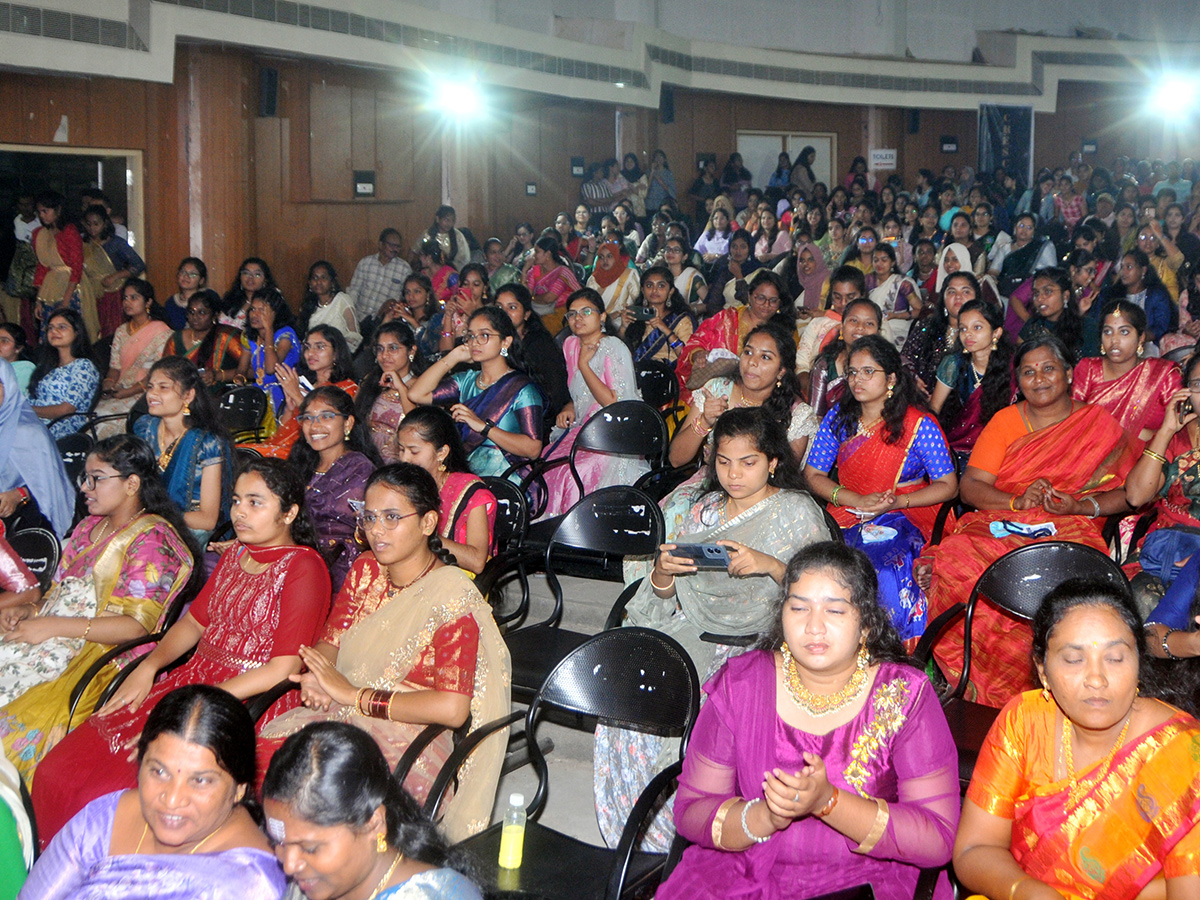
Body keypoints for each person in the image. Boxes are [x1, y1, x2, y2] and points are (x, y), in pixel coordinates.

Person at [32, 459, 332, 843]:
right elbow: (193, 624)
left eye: (256, 502)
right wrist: (150, 665)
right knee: (61, 768)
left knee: (109, 792)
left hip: (247, 701)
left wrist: (199, 705)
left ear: (289, 513)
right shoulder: (235, 555)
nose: (239, 511)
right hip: (193, 683)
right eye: (237, 500)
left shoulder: (304, 567)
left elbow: (283, 667)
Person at [655, 542, 959, 900]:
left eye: (834, 611)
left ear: (866, 625)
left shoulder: (904, 695)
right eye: (799, 608)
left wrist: (829, 802)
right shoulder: (743, 685)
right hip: (747, 871)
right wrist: (765, 816)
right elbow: (692, 810)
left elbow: (937, 837)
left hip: (868, 881)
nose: (814, 627)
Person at [600, 411, 832, 850]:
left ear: (772, 463)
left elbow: (827, 591)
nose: (734, 474)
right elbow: (663, 599)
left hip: (764, 641)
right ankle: (644, 837)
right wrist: (664, 572)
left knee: (709, 714)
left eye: (748, 462)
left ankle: (706, 831)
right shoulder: (703, 511)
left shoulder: (795, 512)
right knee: (632, 701)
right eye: (724, 462)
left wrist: (769, 565)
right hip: (696, 628)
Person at [256, 464, 510, 842]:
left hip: (413, 734)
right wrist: (318, 676)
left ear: (428, 523)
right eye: (370, 517)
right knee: (264, 763)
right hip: (341, 712)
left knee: (332, 798)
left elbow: (452, 709)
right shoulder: (365, 570)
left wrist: (352, 695)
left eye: (392, 518)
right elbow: (332, 640)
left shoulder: (451, 594)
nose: (376, 530)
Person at [918, 337, 1136, 708]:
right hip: (1002, 521)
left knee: (1056, 583)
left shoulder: (1097, 424)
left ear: (1068, 374)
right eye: (1029, 372)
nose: (1039, 379)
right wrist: (1015, 501)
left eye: (1048, 368)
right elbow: (971, 487)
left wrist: (1080, 506)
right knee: (960, 562)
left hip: (1070, 526)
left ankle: (1058, 693)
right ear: (1018, 381)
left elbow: (1128, 495)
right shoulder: (1006, 421)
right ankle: (973, 689)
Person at [954, 580, 1200, 900]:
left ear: (1139, 663)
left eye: (1115, 658)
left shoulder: (1183, 755)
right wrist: (1024, 890)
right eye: (1073, 659)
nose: (1096, 679)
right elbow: (976, 847)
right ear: (1043, 671)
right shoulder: (1025, 722)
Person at [0, 435, 196, 780]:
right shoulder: (88, 527)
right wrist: (32, 612)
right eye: (84, 478)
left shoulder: (152, 539)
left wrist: (52, 626)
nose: (86, 488)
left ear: (131, 483)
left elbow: (136, 628)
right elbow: (60, 594)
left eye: (97, 478)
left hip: (102, 653)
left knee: (18, 728)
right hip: (55, 632)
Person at [19, 685, 286, 900]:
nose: (171, 799)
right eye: (159, 772)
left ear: (240, 788)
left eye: (201, 781)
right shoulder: (105, 818)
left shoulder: (247, 884)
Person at [805, 335, 958, 642]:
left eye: (867, 371)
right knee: (819, 567)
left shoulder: (918, 423)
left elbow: (948, 486)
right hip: (847, 510)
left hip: (907, 512)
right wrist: (854, 499)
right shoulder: (839, 417)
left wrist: (895, 503)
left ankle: (892, 651)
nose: (856, 380)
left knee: (883, 569)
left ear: (890, 378)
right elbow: (813, 474)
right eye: (851, 372)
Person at [263, 722, 483, 900]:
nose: (289, 865)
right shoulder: (315, 884)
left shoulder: (433, 895)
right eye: (278, 843)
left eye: (310, 849)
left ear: (374, 824)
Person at [537, 289, 644, 517]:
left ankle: (576, 530)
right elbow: (579, 394)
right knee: (548, 462)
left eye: (586, 312)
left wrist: (585, 366)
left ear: (602, 317)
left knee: (574, 471)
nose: (578, 318)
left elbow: (614, 404)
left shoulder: (613, 347)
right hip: (583, 426)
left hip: (611, 432)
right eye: (572, 314)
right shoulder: (570, 345)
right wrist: (570, 407)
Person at [409, 306, 545, 478]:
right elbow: (416, 394)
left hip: (507, 477)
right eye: (471, 336)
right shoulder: (465, 381)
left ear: (506, 342)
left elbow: (533, 449)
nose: (475, 342)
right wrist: (453, 357)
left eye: (484, 335)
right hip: (467, 473)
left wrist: (483, 427)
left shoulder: (522, 388)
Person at [1126, 355, 1200, 637]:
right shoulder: (1175, 439)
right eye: (1199, 384)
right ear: (1187, 392)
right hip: (1165, 552)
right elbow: (1135, 496)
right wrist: (1166, 430)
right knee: (1142, 595)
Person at [287, 386, 378, 594]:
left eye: (326, 416)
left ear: (348, 423)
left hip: (339, 570)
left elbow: (348, 531)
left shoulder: (359, 469)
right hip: (296, 557)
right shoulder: (300, 465)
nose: (315, 426)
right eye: (308, 418)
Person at [133, 357, 233, 544]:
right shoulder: (145, 428)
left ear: (188, 396)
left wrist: (155, 515)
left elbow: (208, 520)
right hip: (146, 523)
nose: (152, 394)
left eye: (163, 387)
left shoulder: (206, 442)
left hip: (189, 531)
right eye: (150, 387)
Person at [394, 407, 496, 575]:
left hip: (456, 581)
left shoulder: (471, 492)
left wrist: (424, 535)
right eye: (401, 449)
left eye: (414, 451)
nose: (404, 458)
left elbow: (477, 561)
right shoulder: (402, 486)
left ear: (441, 453)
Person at [1072, 299, 1180, 448]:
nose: (1114, 340)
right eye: (1107, 332)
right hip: (1093, 456)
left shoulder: (1164, 375)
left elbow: (1177, 432)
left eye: (1124, 332)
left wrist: (1135, 435)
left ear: (1141, 338)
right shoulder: (1088, 369)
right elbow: (1074, 423)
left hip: (1149, 459)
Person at [244, 325, 358, 460]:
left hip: (314, 451)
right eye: (307, 347)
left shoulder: (348, 388)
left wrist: (297, 396)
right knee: (240, 452)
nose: (311, 353)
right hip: (288, 445)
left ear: (336, 353)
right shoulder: (305, 384)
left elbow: (324, 424)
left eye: (319, 347)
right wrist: (290, 409)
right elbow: (284, 430)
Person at [677, 271, 792, 404]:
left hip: (762, 397)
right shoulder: (726, 319)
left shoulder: (785, 331)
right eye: (760, 298)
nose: (766, 305)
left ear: (779, 303)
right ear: (750, 296)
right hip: (712, 392)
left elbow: (787, 368)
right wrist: (698, 353)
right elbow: (697, 341)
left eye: (773, 301)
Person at [930, 299, 1015, 465]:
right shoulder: (953, 364)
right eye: (963, 328)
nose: (968, 334)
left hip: (1004, 449)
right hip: (958, 449)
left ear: (996, 333)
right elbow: (934, 410)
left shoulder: (1014, 367)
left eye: (977, 327)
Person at [0, 358, 76, 539]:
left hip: (23, 519)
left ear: (9, 386)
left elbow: (51, 486)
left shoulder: (28, 432)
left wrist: (20, 494)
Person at [92, 279, 172, 439]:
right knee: (91, 414)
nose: (127, 302)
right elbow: (115, 367)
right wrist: (108, 383)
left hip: (145, 393)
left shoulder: (161, 331)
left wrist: (130, 391)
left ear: (148, 301)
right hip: (119, 390)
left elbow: (157, 372)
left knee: (102, 419)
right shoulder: (121, 331)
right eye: (125, 298)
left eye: (134, 298)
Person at [494, 283, 569, 435]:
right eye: (499, 307)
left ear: (526, 314)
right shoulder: (493, 341)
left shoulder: (538, 345)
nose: (504, 313)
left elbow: (554, 392)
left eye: (512, 307)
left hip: (537, 418)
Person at [903, 271, 989, 400]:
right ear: (943, 298)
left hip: (966, 408)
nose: (958, 297)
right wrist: (913, 379)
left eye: (965, 291)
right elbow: (904, 359)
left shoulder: (985, 331)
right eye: (952, 292)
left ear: (977, 297)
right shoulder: (927, 325)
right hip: (921, 401)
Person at [28, 308, 100, 438]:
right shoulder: (46, 366)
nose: (54, 331)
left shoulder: (83, 366)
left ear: (77, 332)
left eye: (62, 327)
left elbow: (66, 410)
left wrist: (26, 410)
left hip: (61, 428)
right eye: (50, 328)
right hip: (34, 423)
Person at [354, 321, 419, 463]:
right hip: (364, 459)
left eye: (393, 348)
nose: (385, 355)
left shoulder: (421, 387)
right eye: (380, 349)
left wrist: (401, 388)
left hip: (400, 464)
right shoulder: (371, 381)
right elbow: (355, 418)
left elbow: (417, 426)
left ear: (411, 351)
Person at [807, 298, 883, 417]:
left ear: (878, 332)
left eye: (869, 323)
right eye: (853, 320)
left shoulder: (887, 365)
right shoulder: (826, 365)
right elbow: (815, 417)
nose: (860, 327)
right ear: (841, 327)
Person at [79, 204, 146, 340]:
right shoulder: (83, 244)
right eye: (89, 224)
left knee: (111, 331)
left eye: (96, 224)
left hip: (113, 293)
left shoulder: (116, 243)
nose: (92, 228)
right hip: (90, 293)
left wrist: (115, 276)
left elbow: (139, 265)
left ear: (105, 223)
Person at [234, 292, 300, 418]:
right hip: (259, 394)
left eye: (262, 310)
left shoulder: (285, 334)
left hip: (284, 395)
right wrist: (240, 378)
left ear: (275, 313)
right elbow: (242, 368)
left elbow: (271, 369)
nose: (255, 314)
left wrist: (269, 329)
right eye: (253, 309)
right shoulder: (250, 337)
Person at [162, 290, 243, 387]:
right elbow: (165, 370)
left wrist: (218, 375)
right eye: (191, 312)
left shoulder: (226, 336)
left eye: (202, 312)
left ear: (215, 315)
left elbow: (252, 369)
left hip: (220, 396)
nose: (195, 317)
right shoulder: (177, 338)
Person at [30, 191, 83, 335]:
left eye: (45, 211)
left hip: (71, 288)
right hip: (49, 288)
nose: (42, 215)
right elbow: (42, 266)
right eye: (39, 212)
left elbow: (76, 268)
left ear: (58, 210)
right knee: (49, 333)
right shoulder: (40, 234)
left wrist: (66, 301)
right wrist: (38, 300)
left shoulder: (69, 232)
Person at [619, 266, 696, 366]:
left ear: (670, 291)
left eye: (661, 286)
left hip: (669, 375)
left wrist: (665, 329)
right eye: (649, 285)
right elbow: (619, 353)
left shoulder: (680, 320)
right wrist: (623, 327)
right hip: (637, 375)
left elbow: (685, 356)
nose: (654, 290)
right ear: (642, 290)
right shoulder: (637, 316)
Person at [346, 229, 413, 341]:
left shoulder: (404, 269)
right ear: (381, 245)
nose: (395, 249)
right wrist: (350, 319)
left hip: (384, 323)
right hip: (359, 319)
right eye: (391, 245)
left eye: (398, 246)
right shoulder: (366, 263)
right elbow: (354, 291)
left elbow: (405, 298)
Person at [1018, 267, 1094, 362]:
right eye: (1036, 293)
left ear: (1065, 295)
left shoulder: (1086, 327)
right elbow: (1020, 362)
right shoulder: (1033, 326)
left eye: (1048, 292)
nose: (1040, 299)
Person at [1107, 249, 1174, 350]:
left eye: (1129, 267)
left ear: (1143, 270)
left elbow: (1161, 326)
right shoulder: (1112, 295)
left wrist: (1143, 336)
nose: (1123, 272)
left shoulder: (1156, 294)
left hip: (1147, 344)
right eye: (1122, 267)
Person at [295, 260, 361, 353]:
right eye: (315, 278)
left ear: (332, 282)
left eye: (323, 277)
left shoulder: (342, 300)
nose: (318, 282)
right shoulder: (308, 306)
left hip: (339, 356)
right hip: (313, 355)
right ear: (310, 283)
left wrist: (333, 352)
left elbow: (354, 336)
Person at [521, 235, 580, 334]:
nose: (534, 255)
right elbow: (525, 296)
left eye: (537, 251)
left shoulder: (562, 272)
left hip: (561, 315)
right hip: (537, 313)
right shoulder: (535, 271)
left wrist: (533, 298)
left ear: (548, 254)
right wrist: (524, 272)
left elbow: (549, 298)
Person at [868, 243, 921, 348]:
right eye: (876, 260)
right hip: (871, 331)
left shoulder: (903, 283)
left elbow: (918, 309)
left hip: (897, 334)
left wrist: (895, 315)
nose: (879, 264)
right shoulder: (867, 281)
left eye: (884, 260)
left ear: (892, 262)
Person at [219, 257, 286, 334]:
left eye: (257, 274)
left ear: (265, 280)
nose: (250, 278)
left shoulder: (272, 301)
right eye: (246, 273)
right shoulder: (230, 300)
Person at [586, 237, 639, 329]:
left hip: (622, 320)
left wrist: (618, 313)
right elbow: (588, 304)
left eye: (609, 256)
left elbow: (637, 300)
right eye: (601, 257)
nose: (605, 261)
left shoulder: (630, 275)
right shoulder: (593, 279)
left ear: (616, 257)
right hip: (598, 320)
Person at [159, 257, 222, 332]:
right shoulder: (171, 303)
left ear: (201, 280)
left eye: (192, 274)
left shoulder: (210, 296)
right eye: (183, 272)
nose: (186, 277)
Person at [413, 205, 470, 271]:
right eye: (447, 220)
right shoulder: (427, 234)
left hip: (451, 273)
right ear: (437, 219)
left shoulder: (458, 235)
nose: (450, 223)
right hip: (429, 272)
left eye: (452, 220)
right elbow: (415, 252)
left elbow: (464, 259)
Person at [415, 240, 459, 306]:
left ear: (429, 258)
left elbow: (458, 298)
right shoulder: (422, 274)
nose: (419, 258)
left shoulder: (451, 276)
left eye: (421, 255)